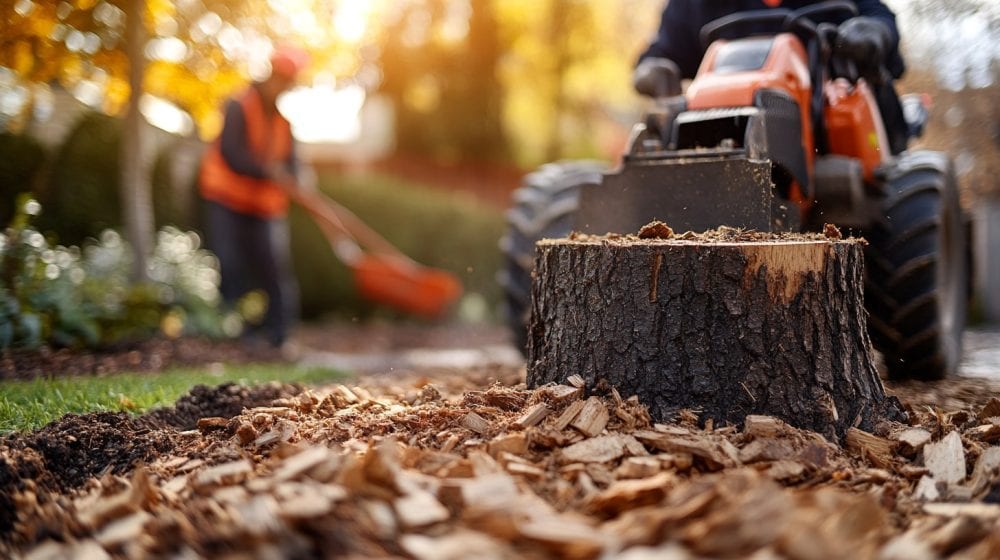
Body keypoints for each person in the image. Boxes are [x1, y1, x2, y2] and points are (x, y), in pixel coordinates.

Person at [637, 0, 910, 154]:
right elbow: (663, 51)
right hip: (724, 131)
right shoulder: (692, 5)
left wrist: (875, 31)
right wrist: (653, 68)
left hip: (829, 132)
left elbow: (880, 20)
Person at [199, 47, 309, 350]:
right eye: (281, 79)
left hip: (264, 207)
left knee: (273, 266)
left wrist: (298, 179)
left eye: (289, 82)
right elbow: (231, 153)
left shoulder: (284, 123)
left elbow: (293, 164)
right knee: (230, 262)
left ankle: (279, 335)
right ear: (271, 75)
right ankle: (232, 331)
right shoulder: (239, 106)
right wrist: (266, 171)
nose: (283, 87)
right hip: (227, 198)